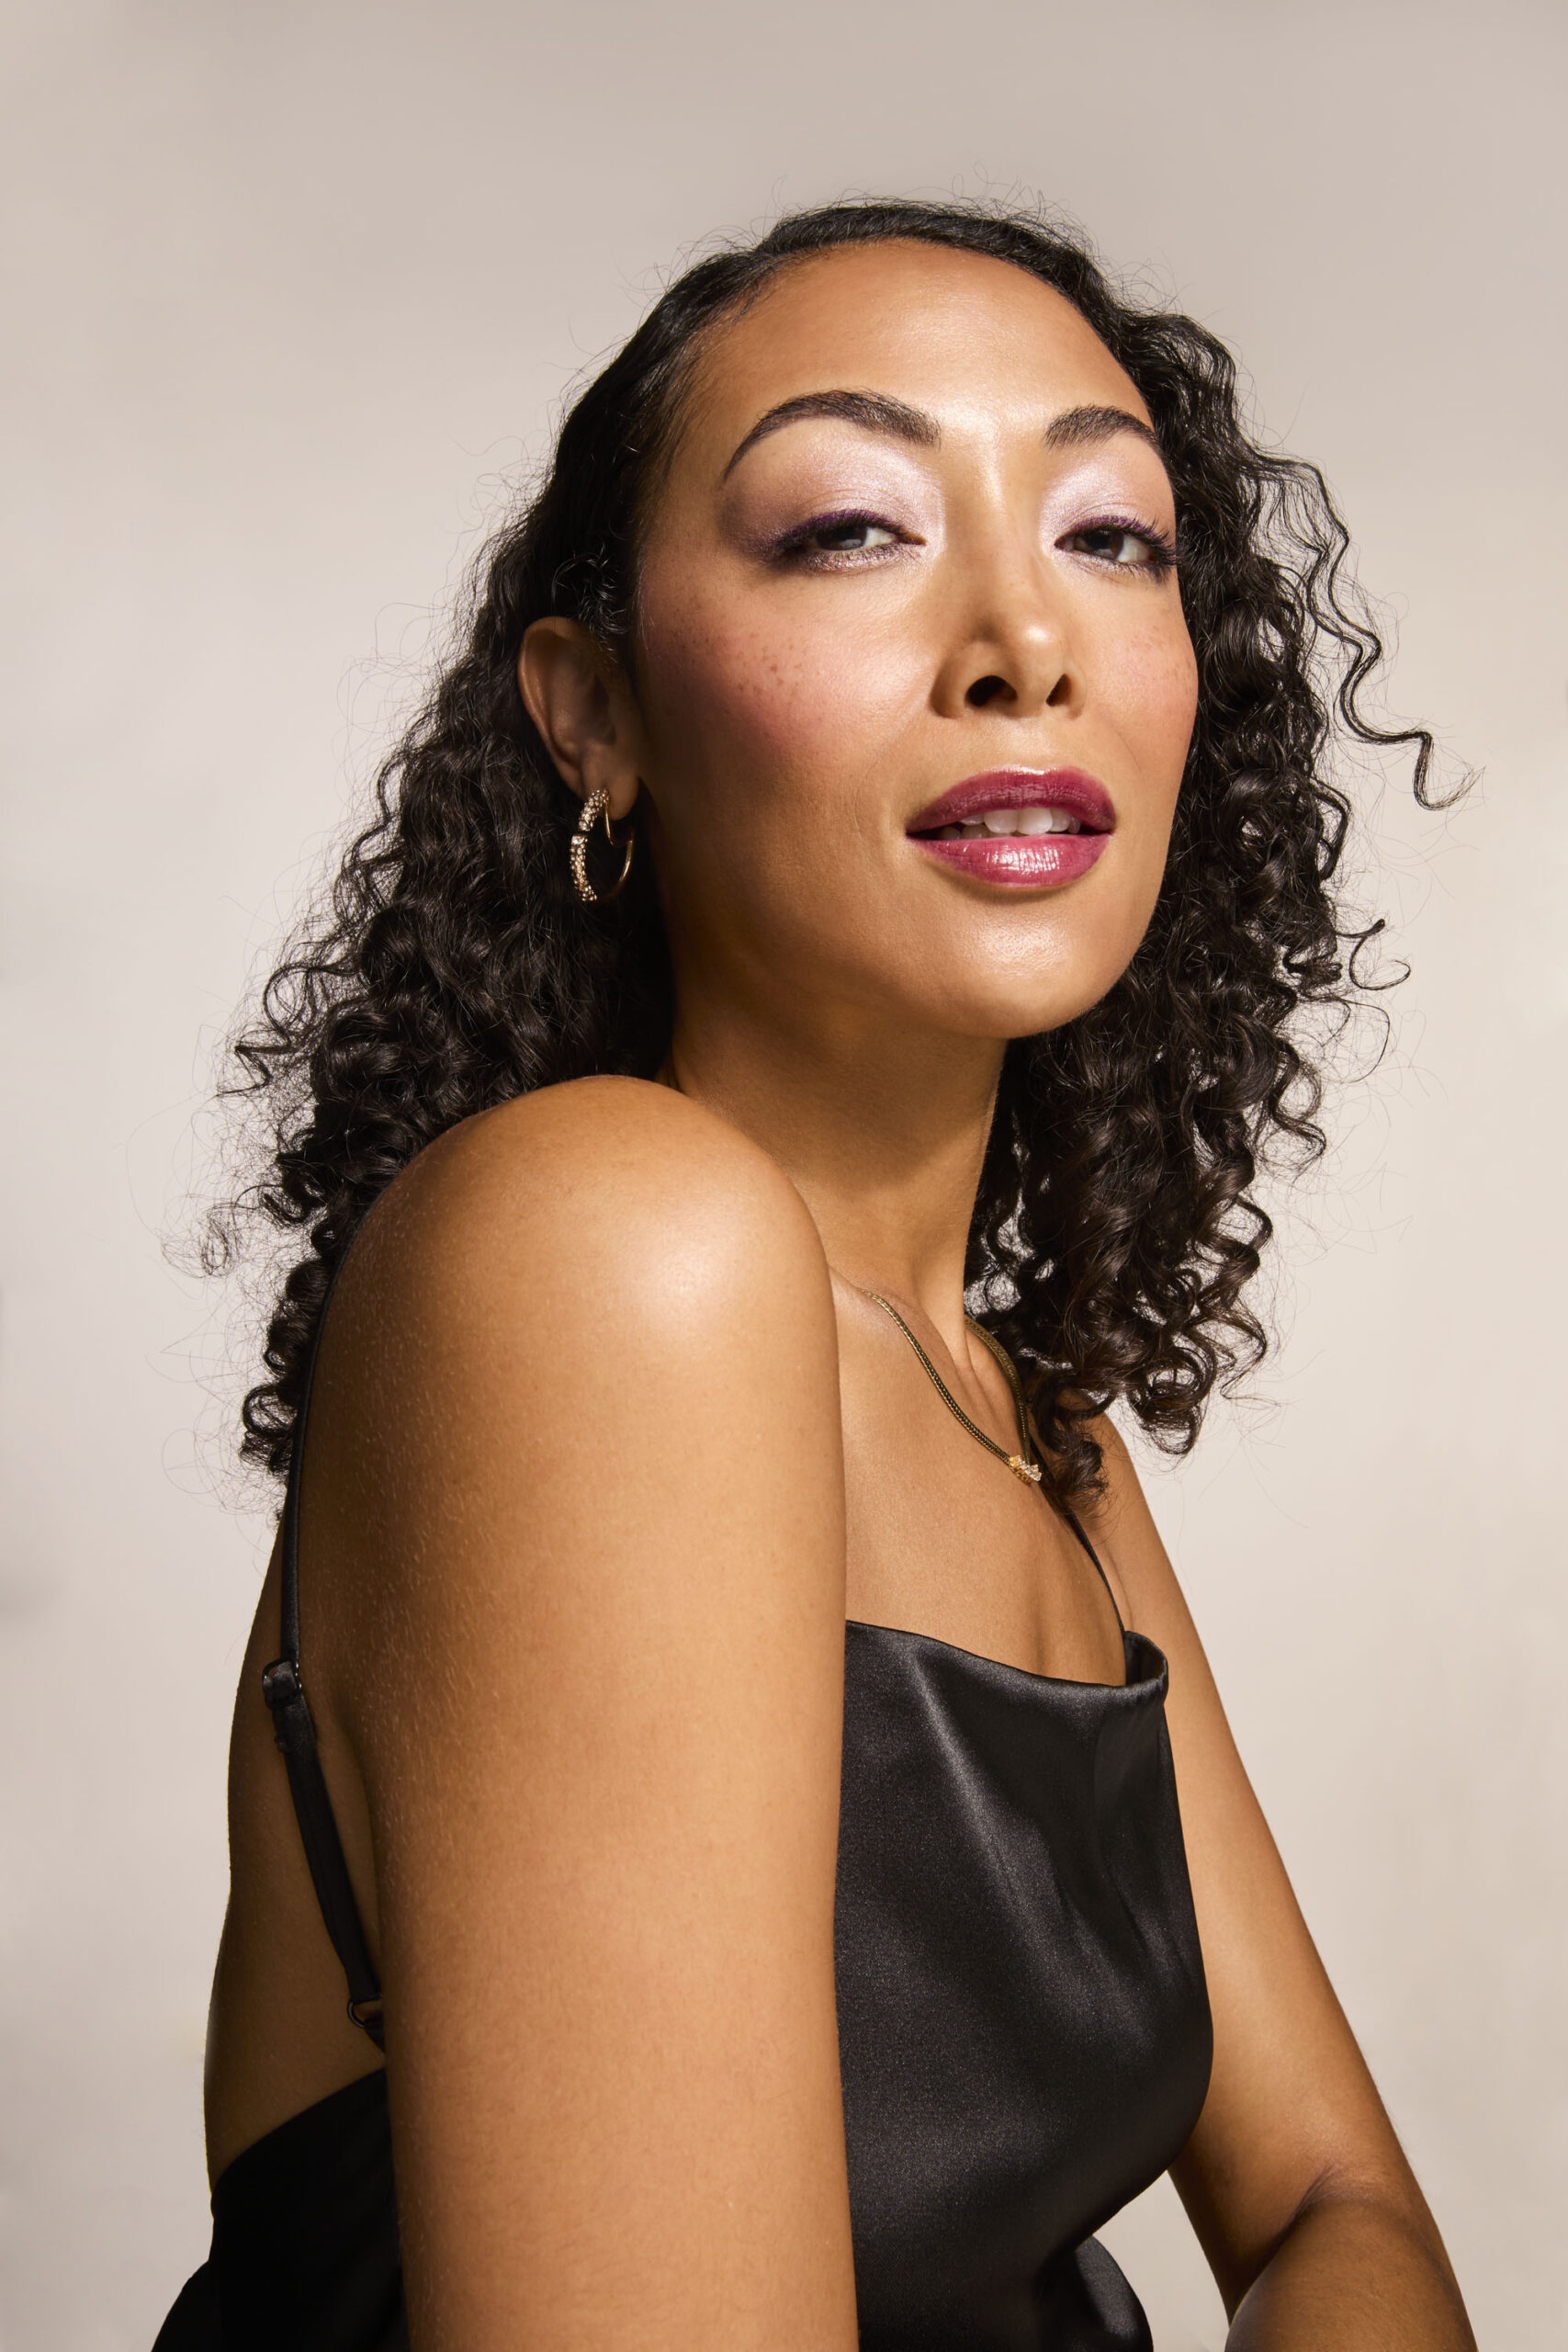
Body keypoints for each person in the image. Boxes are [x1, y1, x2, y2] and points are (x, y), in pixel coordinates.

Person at [154, 198, 1476, 2350]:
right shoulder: (606, 1248)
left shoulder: (1035, 1429)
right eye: (850, 527)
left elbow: (1343, 2209)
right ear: (594, 714)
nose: (1020, 637)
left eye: (1109, 537)